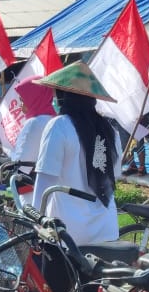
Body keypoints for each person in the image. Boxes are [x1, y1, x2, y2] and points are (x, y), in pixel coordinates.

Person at [32, 61, 123, 245]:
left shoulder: (59, 126)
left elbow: (44, 182)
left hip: (69, 234)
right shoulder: (110, 131)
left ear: (64, 97)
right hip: (107, 229)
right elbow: (114, 175)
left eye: (56, 94)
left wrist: (33, 220)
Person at [10, 75, 56, 166]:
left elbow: (21, 164)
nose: (20, 105)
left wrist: (9, 154)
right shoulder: (55, 120)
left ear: (33, 98)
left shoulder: (34, 123)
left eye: (22, 99)